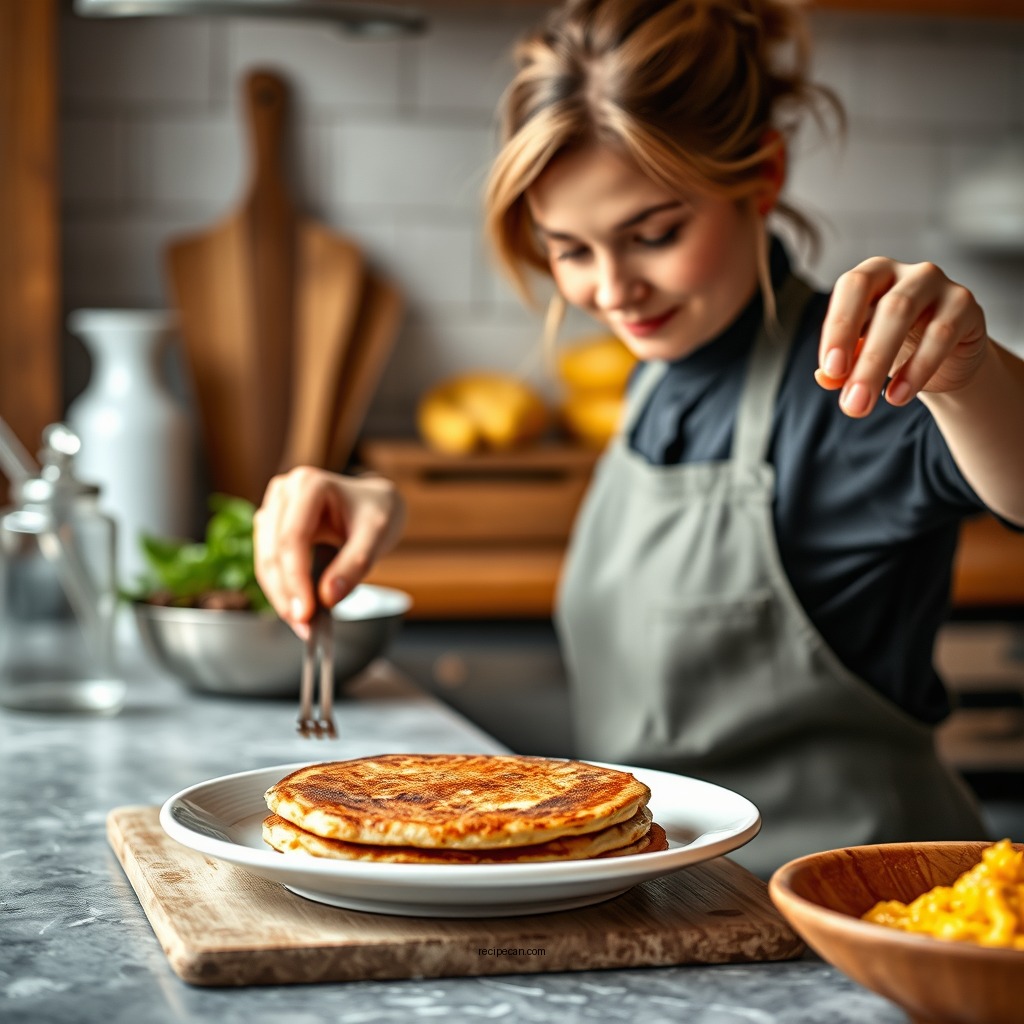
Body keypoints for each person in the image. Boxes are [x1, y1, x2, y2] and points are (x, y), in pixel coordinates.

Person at [254, 0, 1024, 877]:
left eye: (654, 234)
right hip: (668, 914)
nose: (613, 289)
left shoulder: (859, 383)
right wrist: (389, 505)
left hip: (854, 930)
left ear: (762, 178)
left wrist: (973, 375)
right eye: (569, 250)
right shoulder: (659, 377)